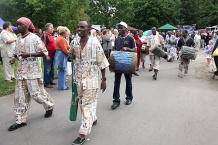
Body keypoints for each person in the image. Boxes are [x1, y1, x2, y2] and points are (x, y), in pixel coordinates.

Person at [8, 17, 54, 131]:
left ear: (27, 26)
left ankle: (49, 105)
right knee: (20, 97)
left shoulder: (34, 38)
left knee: (36, 95)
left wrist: (28, 55)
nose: (18, 27)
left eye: (20, 25)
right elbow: (16, 52)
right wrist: (13, 58)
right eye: (17, 25)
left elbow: (44, 52)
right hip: (21, 73)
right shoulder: (18, 38)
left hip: (33, 73)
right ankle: (20, 120)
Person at [69, 21, 109, 145]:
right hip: (78, 80)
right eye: (78, 27)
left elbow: (102, 63)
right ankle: (93, 118)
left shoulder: (95, 44)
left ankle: (82, 134)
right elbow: (71, 55)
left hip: (91, 80)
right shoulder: (75, 42)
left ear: (88, 29)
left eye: (82, 27)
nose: (79, 29)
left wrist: (103, 80)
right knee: (82, 103)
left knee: (86, 105)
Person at [111, 21, 136, 110]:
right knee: (116, 82)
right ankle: (116, 100)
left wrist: (127, 48)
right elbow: (115, 50)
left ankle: (129, 98)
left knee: (128, 81)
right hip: (118, 63)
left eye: (121, 28)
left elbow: (135, 50)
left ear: (126, 29)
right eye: (118, 28)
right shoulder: (117, 39)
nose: (119, 29)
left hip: (127, 63)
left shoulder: (130, 38)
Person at [54, 26, 71, 90]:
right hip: (61, 55)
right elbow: (64, 49)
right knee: (62, 70)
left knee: (62, 70)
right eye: (66, 32)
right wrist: (69, 54)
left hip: (60, 54)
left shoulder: (60, 38)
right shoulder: (61, 39)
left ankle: (63, 85)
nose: (67, 33)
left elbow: (67, 46)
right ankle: (62, 86)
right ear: (64, 32)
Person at [41, 23, 57, 88]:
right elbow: (42, 46)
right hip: (48, 55)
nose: (53, 29)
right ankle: (46, 83)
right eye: (52, 27)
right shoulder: (45, 36)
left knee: (52, 69)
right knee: (47, 69)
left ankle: (51, 80)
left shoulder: (50, 35)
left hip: (52, 55)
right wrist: (46, 55)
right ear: (48, 28)